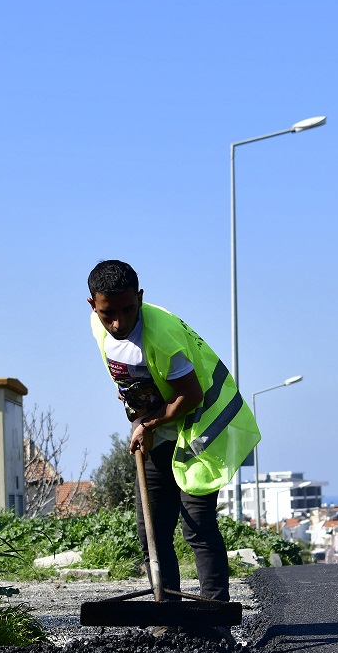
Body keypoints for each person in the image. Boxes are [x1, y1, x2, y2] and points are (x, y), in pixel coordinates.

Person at [86, 259, 259, 617]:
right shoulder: (98, 327)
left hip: (199, 428)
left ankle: (216, 616)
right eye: (108, 313)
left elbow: (190, 395)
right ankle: (169, 615)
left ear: (141, 298)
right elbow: (128, 381)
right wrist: (139, 418)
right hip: (157, 430)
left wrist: (147, 425)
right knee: (151, 531)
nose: (118, 323)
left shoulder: (161, 336)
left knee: (197, 526)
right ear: (93, 306)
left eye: (127, 310)